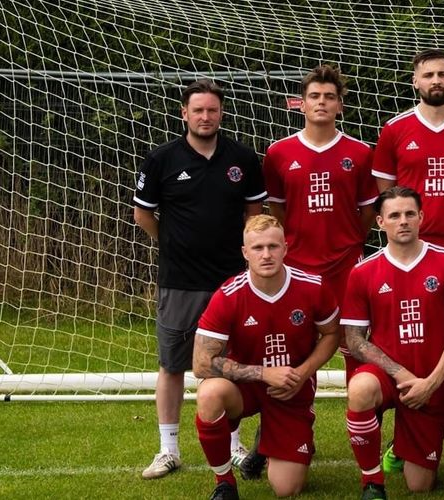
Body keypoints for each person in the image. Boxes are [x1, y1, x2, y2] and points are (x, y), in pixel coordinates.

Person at [132, 79, 266, 480]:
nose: (205, 117)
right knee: (172, 364)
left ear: (221, 114)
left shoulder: (242, 158)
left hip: (233, 282)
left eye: (212, 110)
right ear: (184, 114)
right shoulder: (162, 160)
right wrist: (173, 246)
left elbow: (255, 216)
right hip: (180, 282)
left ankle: (234, 443)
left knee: (232, 363)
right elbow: (144, 216)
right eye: (198, 110)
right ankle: (168, 449)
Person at [260, 67, 380, 476]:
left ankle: (361, 436)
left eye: (330, 96)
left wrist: (346, 245)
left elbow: (367, 214)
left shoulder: (361, 153)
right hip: (297, 272)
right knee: (292, 354)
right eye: (315, 96)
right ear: (302, 103)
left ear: (340, 105)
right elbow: (278, 212)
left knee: (354, 350)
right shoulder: (278, 154)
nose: (322, 102)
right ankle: (282, 435)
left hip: (345, 268)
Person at [190, 215, 341, 500]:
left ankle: (268, 442)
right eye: (257, 248)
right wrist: (262, 373)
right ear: (245, 253)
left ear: (286, 247)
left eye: (273, 246)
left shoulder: (313, 287)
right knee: (209, 393)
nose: (266, 254)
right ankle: (225, 483)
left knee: (287, 488)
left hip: (291, 386)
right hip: (245, 387)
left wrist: (304, 373)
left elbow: (332, 334)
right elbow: (201, 363)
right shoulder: (228, 295)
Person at [340, 186, 444, 499]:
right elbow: (355, 340)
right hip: (387, 376)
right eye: (394, 215)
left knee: (420, 485)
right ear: (380, 222)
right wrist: (400, 374)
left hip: (430, 380)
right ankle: (372, 484)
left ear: (421, 217)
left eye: (409, 214)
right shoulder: (363, 272)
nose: (403, 221)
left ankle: (402, 448)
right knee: (359, 389)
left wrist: (431, 383)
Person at [372, 49, 444, 265]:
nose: (436, 81)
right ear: (415, 81)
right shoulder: (394, 129)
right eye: (428, 75)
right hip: (412, 244)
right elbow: (386, 193)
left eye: (442, 74)